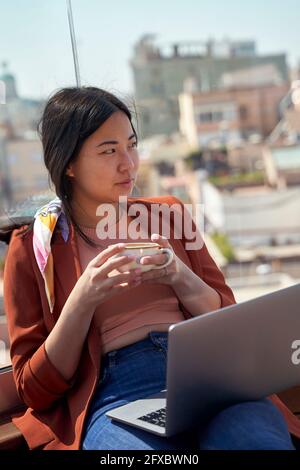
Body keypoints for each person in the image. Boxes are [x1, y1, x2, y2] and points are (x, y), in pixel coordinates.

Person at [2, 87, 299, 450]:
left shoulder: (169, 215)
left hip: (209, 378)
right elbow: (33, 388)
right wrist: (82, 301)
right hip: (117, 397)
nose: (128, 163)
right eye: (109, 151)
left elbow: (231, 326)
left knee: (255, 444)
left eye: (131, 144)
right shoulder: (35, 246)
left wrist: (180, 275)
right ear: (68, 163)